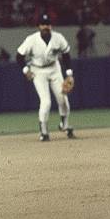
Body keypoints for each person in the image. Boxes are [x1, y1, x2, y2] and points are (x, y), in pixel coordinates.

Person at [16, 13, 75, 141]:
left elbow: (66, 54)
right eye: (43, 24)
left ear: (51, 25)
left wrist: (69, 74)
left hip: (54, 68)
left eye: (47, 24)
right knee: (46, 101)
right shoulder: (31, 40)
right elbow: (19, 56)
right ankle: (43, 131)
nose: (45, 27)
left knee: (63, 99)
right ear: (39, 26)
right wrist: (26, 70)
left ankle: (64, 125)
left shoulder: (58, 38)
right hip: (38, 71)